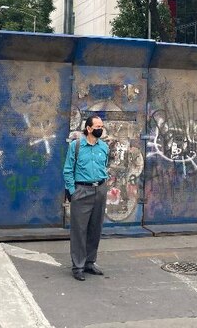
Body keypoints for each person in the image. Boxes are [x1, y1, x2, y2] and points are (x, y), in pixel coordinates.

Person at [63, 115, 110, 281]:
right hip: (82, 190)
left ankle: (90, 262)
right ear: (89, 128)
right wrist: (72, 191)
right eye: (97, 126)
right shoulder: (76, 146)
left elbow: (105, 166)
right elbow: (68, 170)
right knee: (79, 230)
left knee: (95, 228)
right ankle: (78, 266)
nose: (100, 129)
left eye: (101, 126)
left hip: (100, 189)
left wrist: (104, 184)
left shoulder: (104, 147)